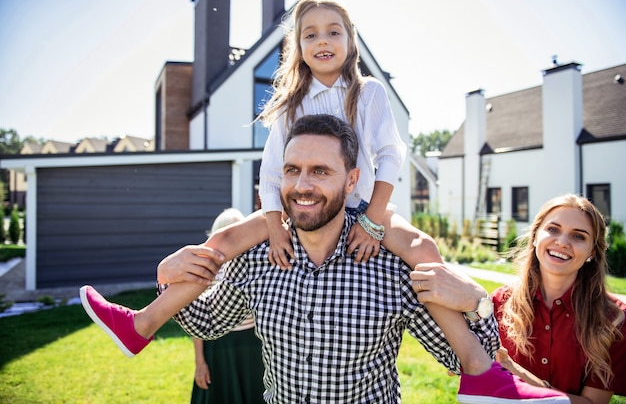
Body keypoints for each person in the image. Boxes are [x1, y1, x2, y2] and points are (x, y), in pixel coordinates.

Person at [79, 0, 567, 403]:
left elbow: (392, 157)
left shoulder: (368, 93)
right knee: (225, 239)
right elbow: (273, 172)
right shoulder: (290, 101)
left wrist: (374, 221)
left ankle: (482, 372)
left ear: (350, 41)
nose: (322, 41)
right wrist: (271, 227)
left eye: (333, 31)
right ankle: (141, 325)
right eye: (309, 34)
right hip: (289, 214)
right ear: (297, 47)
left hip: (366, 206)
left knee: (423, 253)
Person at [158, 114, 570, 403]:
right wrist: (168, 277)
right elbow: (208, 322)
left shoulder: (391, 267)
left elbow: (458, 356)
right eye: (292, 170)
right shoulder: (262, 256)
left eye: (320, 171)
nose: (302, 185)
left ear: (352, 179)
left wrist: (478, 304)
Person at [490, 194, 626, 404]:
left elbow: (593, 403)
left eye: (578, 236)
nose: (562, 242)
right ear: (535, 236)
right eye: (553, 229)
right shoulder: (498, 302)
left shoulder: (615, 319)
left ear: (592, 251)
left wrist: (512, 368)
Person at [190, 208, 264, 404]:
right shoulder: (206, 268)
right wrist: (200, 362)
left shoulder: (253, 263)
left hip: (252, 343)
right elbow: (198, 318)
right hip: (218, 344)